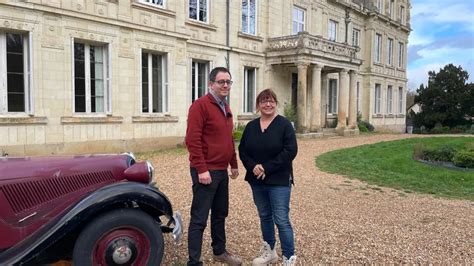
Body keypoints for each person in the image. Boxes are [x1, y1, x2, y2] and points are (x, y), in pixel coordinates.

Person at [185, 67, 242, 266]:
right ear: (211, 84)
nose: (225, 85)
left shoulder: (225, 107)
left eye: (228, 81)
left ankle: (219, 251)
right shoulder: (200, 106)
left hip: (221, 171)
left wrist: (233, 163)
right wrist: (201, 169)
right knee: (199, 218)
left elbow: (228, 139)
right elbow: (192, 140)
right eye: (221, 82)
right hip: (206, 172)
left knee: (220, 214)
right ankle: (194, 261)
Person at [238, 89, 298, 266]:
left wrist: (266, 167)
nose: (268, 104)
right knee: (264, 216)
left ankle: (289, 257)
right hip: (257, 180)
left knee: (281, 218)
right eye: (264, 101)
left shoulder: (284, 125)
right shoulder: (251, 127)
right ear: (258, 105)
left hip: (279, 180)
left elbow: (290, 151)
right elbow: (243, 150)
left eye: (271, 101)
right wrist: (253, 167)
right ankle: (270, 251)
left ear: (276, 104)